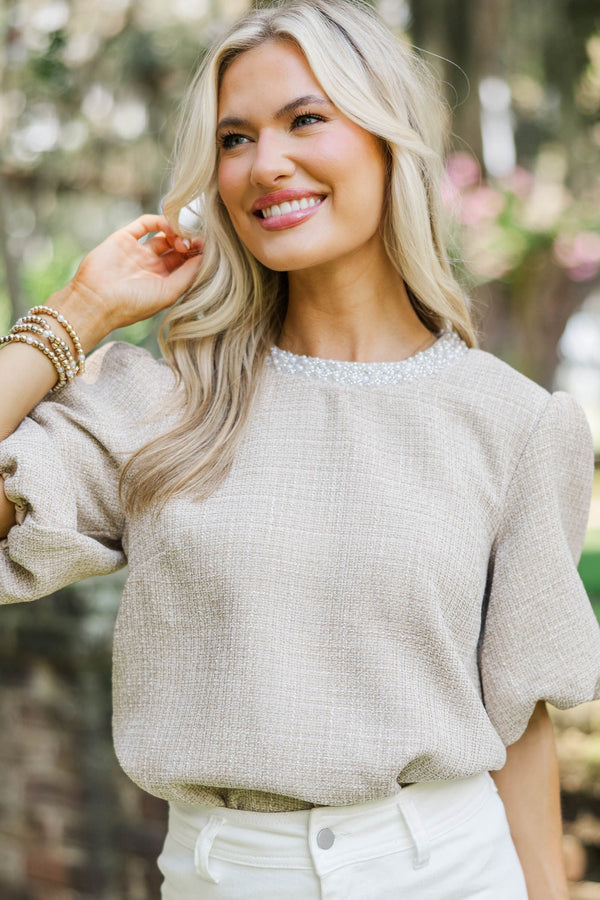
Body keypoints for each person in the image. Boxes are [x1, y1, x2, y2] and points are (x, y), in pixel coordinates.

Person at [1, 1, 599, 897]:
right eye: (234, 138)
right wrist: (78, 312)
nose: (265, 163)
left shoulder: (513, 424)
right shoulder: (161, 404)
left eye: (305, 119)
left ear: (388, 139)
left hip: (449, 872)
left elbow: (517, 726)